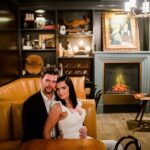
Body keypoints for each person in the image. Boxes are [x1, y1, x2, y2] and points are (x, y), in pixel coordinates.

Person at [43, 75, 123, 150]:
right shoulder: (57, 107)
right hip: (69, 146)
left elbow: (76, 121)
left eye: (63, 88)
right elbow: (46, 132)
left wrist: (84, 128)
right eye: (57, 89)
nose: (60, 92)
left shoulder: (76, 103)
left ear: (70, 88)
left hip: (83, 141)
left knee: (115, 144)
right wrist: (54, 146)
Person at [22, 67, 87, 143]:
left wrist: (83, 127)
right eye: (47, 80)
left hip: (63, 142)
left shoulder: (61, 97)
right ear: (41, 80)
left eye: (53, 81)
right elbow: (29, 134)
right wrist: (53, 143)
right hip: (40, 143)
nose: (50, 84)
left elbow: (74, 116)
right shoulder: (29, 104)